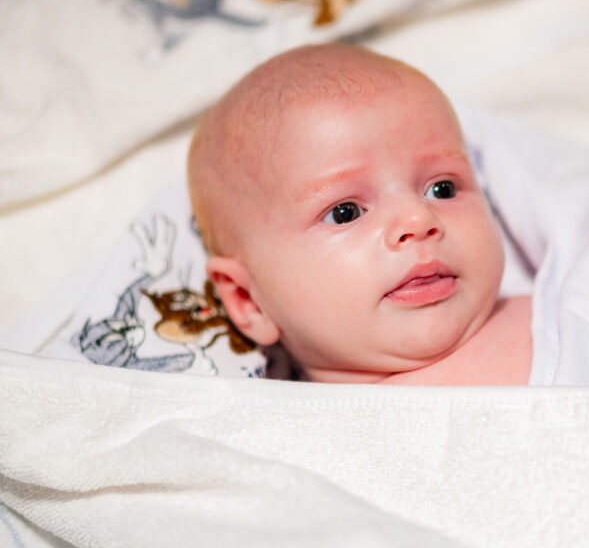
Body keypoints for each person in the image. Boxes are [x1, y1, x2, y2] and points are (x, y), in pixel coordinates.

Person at [187, 43, 532, 385]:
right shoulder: (282, 420)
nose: (418, 220)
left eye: (443, 189)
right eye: (345, 212)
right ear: (248, 300)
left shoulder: (550, 305)